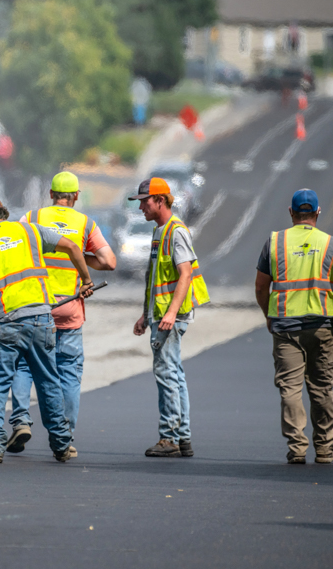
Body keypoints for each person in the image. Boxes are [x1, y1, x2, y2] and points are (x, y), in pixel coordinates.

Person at [0, 194, 95, 463]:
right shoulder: (31, 231)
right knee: (49, 380)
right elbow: (72, 246)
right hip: (41, 318)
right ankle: (61, 444)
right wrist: (86, 280)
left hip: (8, 323)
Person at [6, 171, 117, 458]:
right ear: (76, 196)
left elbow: (13, 250)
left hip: (35, 308)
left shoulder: (31, 219)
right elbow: (109, 261)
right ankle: (64, 436)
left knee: (24, 366)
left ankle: (19, 421)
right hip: (70, 310)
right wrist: (76, 253)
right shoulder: (85, 223)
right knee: (68, 373)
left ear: (51, 194)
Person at [254, 189, 333, 464]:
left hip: (285, 328)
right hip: (323, 327)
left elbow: (261, 285)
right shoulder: (332, 245)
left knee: (289, 389)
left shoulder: (275, 242)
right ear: (317, 212)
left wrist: (269, 314)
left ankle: (297, 448)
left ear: (291, 213)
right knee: (322, 388)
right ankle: (324, 449)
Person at [130, 177, 209, 458]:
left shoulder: (176, 231)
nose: (141, 207)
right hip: (160, 314)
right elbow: (156, 279)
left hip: (170, 316)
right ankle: (182, 436)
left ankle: (169, 438)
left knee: (166, 374)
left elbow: (185, 273)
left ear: (160, 200)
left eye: (144, 202)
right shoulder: (160, 232)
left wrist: (171, 313)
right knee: (174, 373)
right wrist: (145, 313)